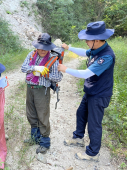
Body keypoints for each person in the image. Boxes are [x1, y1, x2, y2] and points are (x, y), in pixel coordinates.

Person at [58, 21, 115, 162]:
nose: (85, 42)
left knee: (94, 123)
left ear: (96, 40)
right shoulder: (97, 49)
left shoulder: (106, 56)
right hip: (91, 91)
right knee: (81, 113)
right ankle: (78, 138)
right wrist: (69, 47)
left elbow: (85, 74)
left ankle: (92, 153)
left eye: (87, 40)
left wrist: (65, 69)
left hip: (100, 94)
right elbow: (84, 52)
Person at [21, 33, 63, 154]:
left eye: (45, 48)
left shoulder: (53, 59)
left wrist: (46, 73)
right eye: (40, 47)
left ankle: (45, 142)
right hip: (30, 87)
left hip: (42, 90)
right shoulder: (31, 54)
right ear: (37, 46)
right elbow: (23, 68)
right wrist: (34, 68)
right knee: (31, 113)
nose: (42, 50)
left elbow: (58, 77)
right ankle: (35, 137)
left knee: (42, 116)